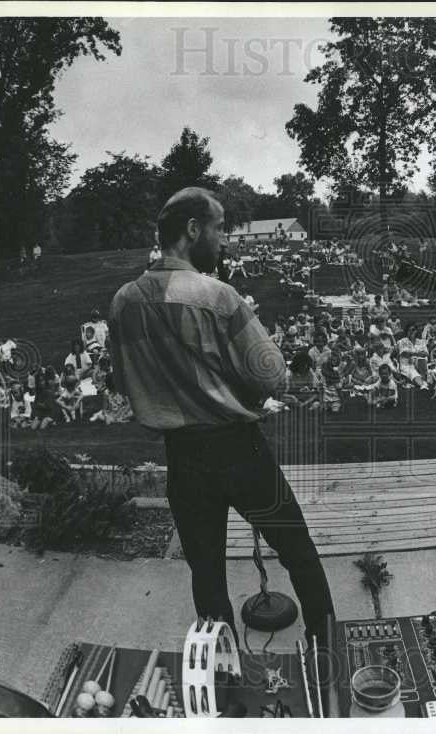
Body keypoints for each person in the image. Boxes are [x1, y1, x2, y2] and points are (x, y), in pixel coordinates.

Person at [107, 187, 334, 646]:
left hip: (183, 459)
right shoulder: (218, 295)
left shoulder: (123, 301)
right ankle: (328, 650)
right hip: (239, 451)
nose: (224, 239)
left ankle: (224, 676)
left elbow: (124, 380)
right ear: (193, 230)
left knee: (207, 575)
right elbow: (275, 379)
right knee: (298, 553)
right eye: (219, 228)